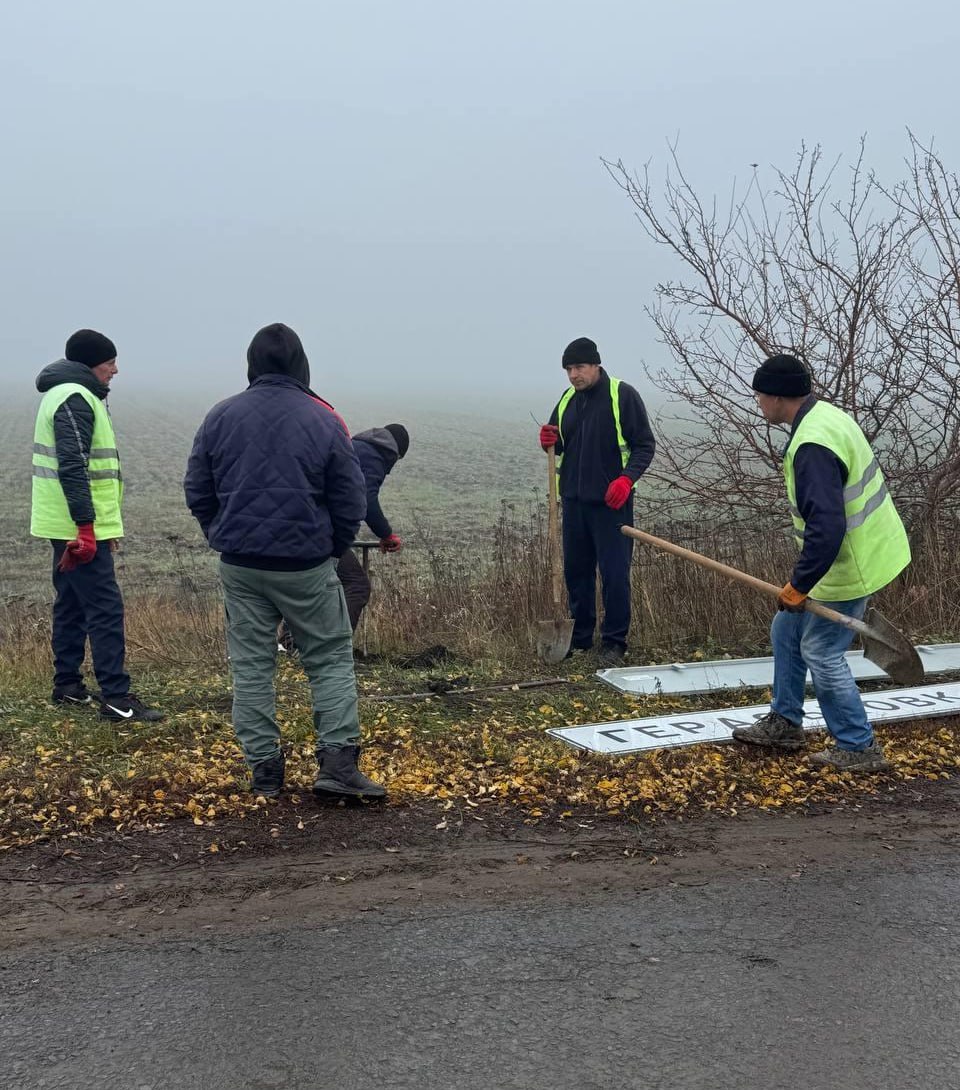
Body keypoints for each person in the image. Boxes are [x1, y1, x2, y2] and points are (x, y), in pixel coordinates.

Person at [184, 323, 385, 800]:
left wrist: (221, 534)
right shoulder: (324, 418)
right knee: (330, 660)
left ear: (251, 364)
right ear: (301, 365)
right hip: (306, 565)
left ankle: (265, 773)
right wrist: (332, 547)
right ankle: (337, 767)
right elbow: (350, 497)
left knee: (251, 666)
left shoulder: (220, 415)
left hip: (241, 564)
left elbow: (198, 489)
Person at [731, 354, 911, 771]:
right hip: (867, 549)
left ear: (777, 397)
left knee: (821, 650)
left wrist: (800, 584)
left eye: (760, 394)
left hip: (852, 563)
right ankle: (786, 722)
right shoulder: (824, 414)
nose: (757, 402)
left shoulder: (812, 446)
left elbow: (827, 528)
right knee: (786, 627)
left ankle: (857, 746)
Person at [30, 330, 163, 722]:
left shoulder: (66, 393)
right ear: (92, 364)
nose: (115, 370)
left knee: (71, 603)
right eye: (110, 363)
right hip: (76, 525)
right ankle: (117, 699)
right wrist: (87, 528)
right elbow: (74, 466)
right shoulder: (75, 397)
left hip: (65, 521)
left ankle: (67, 686)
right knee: (105, 608)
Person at [538, 337, 656, 666]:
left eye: (579, 368)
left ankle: (615, 643)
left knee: (614, 574)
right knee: (577, 572)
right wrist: (549, 441)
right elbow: (557, 444)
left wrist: (626, 479)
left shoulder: (622, 395)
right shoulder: (566, 400)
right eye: (569, 370)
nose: (574, 375)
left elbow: (645, 445)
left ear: (596, 365)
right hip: (574, 503)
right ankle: (580, 638)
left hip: (612, 505)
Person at [339, 423, 409, 629]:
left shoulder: (356, 447)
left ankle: (292, 645)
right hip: (322, 530)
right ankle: (336, 651)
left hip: (309, 523)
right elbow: (366, 499)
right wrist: (387, 534)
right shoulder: (373, 456)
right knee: (357, 586)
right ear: (396, 452)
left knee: (315, 586)